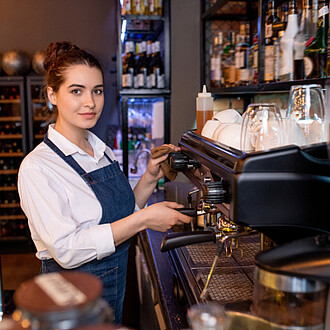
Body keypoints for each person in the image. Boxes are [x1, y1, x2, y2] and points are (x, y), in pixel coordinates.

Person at [17, 41, 191, 324]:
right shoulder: (38, 167)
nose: (90, 102)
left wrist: (149, 177)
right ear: (52, 94)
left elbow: (122, 213)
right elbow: (67, 250)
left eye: (97, 91)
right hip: (70, 303)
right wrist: (145, 219)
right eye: (77, 91)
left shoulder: (100, 150)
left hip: (112, 290)